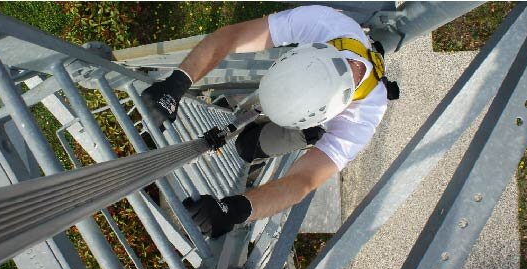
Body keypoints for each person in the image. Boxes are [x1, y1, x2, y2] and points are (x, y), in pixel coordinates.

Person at [141, 5, 393, 237]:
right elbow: (233, 36)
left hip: (312, 123)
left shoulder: (362, 116)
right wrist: (175, 85)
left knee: (247, 147)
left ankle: (309, 133)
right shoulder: (328, 24)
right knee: (248, 145)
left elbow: (304, 180)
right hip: (307, 98)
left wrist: (235, 210)